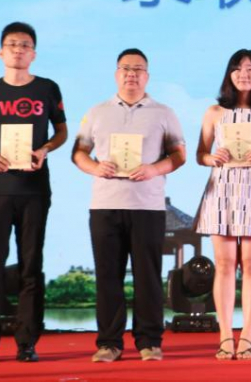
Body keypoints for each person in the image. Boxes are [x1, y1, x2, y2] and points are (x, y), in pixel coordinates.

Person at [72, 48, 187, 363]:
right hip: (105, 205)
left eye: (138, 69)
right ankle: (109, 343)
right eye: (125, 68)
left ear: (147, 76)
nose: (131, 74)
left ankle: (149, 341)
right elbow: (79, 153)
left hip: (148, 206)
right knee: (108, 276)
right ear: (116, 74)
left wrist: (153, 169)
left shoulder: (164, 112)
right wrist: (95, 167)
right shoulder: (97, 112)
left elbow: (179, 155)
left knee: (147, 276)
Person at [0, 22, 68, 364]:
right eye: (12, 44)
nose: (18, 50)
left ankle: (27, 342)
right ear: (1, 51)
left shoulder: (47, 88)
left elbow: (62, 131)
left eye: (25, 45)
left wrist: (45, 150)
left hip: (34, 189)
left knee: (31, 266)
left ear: (33, 53)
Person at [194, 49, 251, 360]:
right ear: (229, 74)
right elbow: (200, 154)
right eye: (238, 68)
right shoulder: (214, 112)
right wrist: (211, 157)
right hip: (221, 190)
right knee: (223, 265)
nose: (244, 74)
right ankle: (224, 336)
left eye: (250, 69)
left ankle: (247, 334)